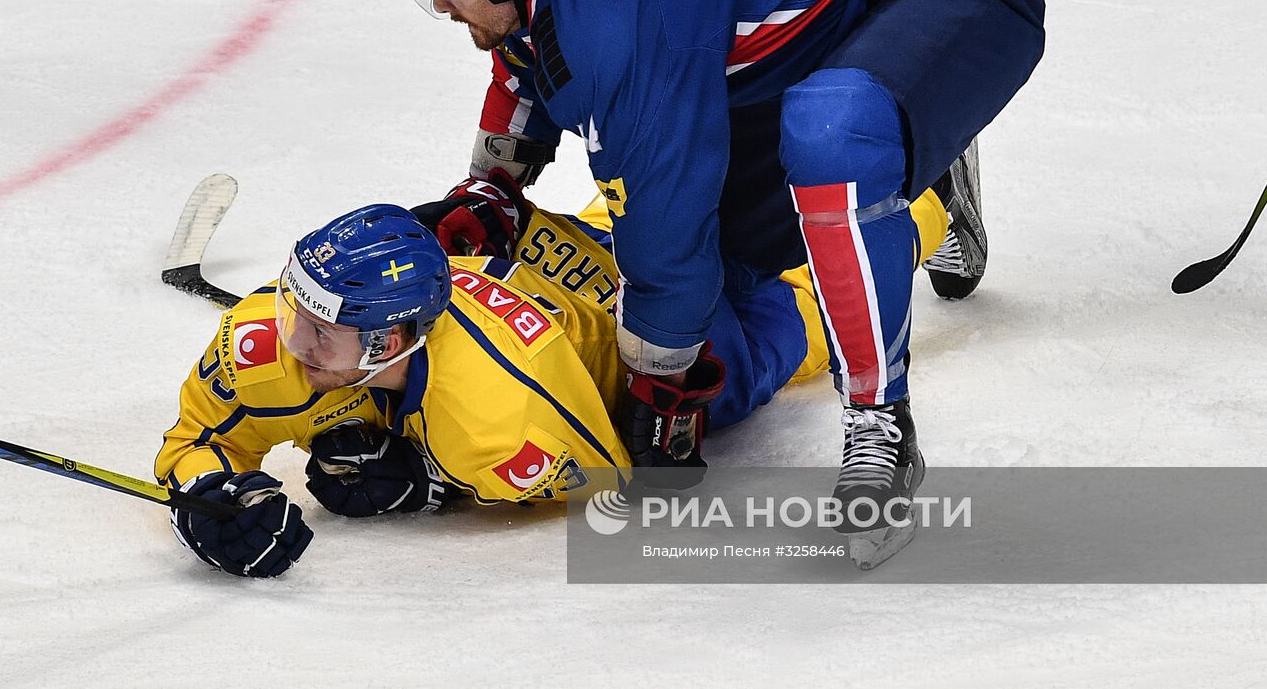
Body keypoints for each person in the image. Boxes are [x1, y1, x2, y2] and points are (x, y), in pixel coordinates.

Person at [386, 0, 1046, 553]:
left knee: (830, 131)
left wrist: (658, 393)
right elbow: (529, 50)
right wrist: (492, 188)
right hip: (838, 28)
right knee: (721, 292)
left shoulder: (621, 28)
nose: (441, 5)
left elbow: (663, 229)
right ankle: (918, 170)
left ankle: (881, 425)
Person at [155, 186, 951, 577]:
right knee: (681, 209)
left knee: (791, 325)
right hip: (579, 253)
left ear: (391, 339)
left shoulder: (497, 416)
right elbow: (192, 443)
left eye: (320, 330)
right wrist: (207, 497)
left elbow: (625, 478)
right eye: (295, 306)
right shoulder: (261, 340)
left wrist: (432, 483)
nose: (290, 341)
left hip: (656, 342)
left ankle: (926, 199)